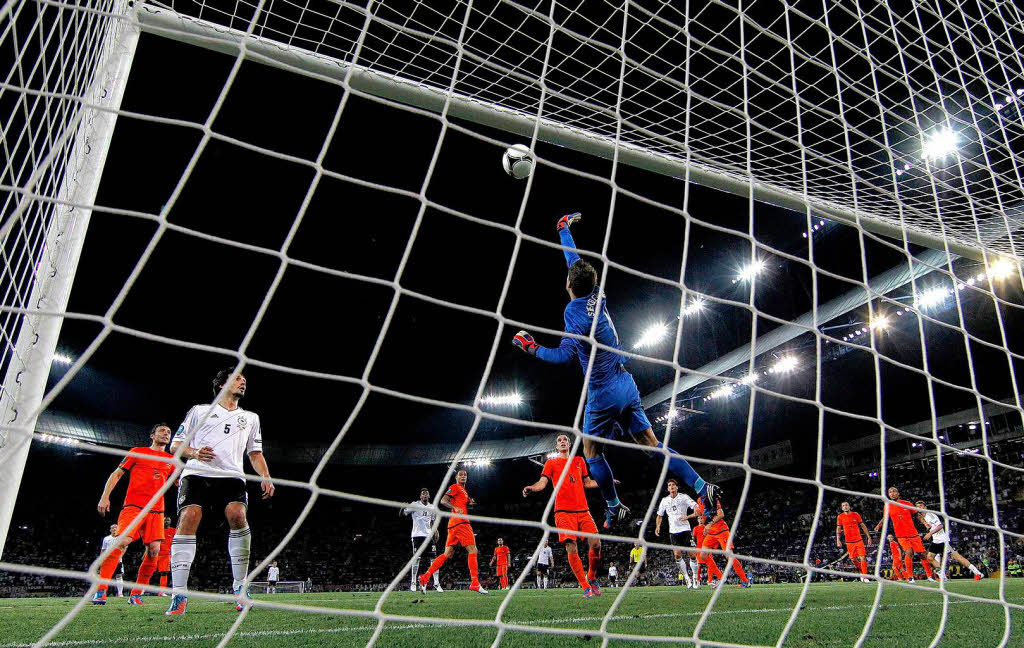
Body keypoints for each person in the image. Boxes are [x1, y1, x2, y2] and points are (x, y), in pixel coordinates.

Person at [511, 213, 719, 528]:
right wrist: (563, 229)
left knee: (591, 451)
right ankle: (702, 485)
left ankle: (612, 504)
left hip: (602, 393)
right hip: (626, 384)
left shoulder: (573, 312)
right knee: (652, 444)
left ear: (568, 284)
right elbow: (575, 262)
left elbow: (562, 356)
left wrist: (531, 346)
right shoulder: (599, 293)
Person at [166, 369, 275, 616]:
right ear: (221, 384)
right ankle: (179, 593)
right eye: (237, 378)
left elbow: (255, 453)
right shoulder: (199, 411)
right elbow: (175, 445)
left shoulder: (251, 417)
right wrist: (193, 453)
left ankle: (239, 587)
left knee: (238, 516)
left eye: (244, 380)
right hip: (196, 472)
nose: (243, 382)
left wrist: (266, 477)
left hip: (232, 475)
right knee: (189, 518)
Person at [94, 424, 176, 605]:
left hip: (156, 510)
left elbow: (181, 482)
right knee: (122, 542)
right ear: (152, 435)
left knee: (154, 550)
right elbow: (117, 474)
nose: (166, 434)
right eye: (162, 431)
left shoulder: (171, 460)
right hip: (134, 507)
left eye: (169, 432)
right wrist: (105, 497)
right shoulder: (137, 452)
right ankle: (101, 590)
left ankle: (136, 594)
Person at [522, 434, 603, 597]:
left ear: (570, 444)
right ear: (556, 446)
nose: (562, 441)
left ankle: (592, 576)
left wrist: (604, 482)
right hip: (563, 512)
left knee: (596, 544)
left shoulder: (579, 461)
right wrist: (532, 487)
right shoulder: (551, 463)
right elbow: (543, 483)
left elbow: (587, 483)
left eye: (565, 439)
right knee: (571, 546)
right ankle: (585, 586)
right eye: (559, 440)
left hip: (583, 511)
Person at [418, 470, 486, 594]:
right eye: (460, 474)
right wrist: (455, 508)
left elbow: (460, 504)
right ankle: (475, 583)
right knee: (473, 550)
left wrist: (469, 503)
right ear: (456, 477)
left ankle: (425, 577)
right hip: (461, 523)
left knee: (447, 554)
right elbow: (443, 501)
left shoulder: (464, 491)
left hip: (453, 525)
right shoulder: (455, 487)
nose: (463, 476)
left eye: (465, 475)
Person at [873, 487, 934, 583]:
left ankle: (929, 576)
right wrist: (878, 525)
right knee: (909, 552)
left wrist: (925, 523)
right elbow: (885, 517)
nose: (892, 493)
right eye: (890, 492)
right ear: (888, 495)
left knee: (922, 554)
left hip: (913, 534)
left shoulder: (907, 503)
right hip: (901, 535)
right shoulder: (888, 505)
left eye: (894, 492)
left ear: (898, 493)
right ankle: (910, 577)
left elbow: (917, 515)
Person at [915, 500, 983, 581]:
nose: (920, 508)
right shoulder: (924, 517)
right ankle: (943, 577)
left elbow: (940, 526)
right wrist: (923, 522)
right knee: (930, 558)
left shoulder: (930, 515)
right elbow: (929, 526)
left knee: (957, 557)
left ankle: (978, 573)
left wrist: (929, 534)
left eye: (921, 506)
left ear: (925, 507)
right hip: (936, 541)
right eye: (918, 507)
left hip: (943, 541)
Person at [696, 496, 749, 587]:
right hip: (711, 533)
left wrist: (709, 524)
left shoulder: (712, 498)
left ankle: (745, 581)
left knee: (729, 556)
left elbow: (721, 514)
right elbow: (702, 515)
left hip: (722, 531)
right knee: (703, 555)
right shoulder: (699, 500)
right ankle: (721, 577)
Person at [655, 478, 698, 589]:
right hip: (673, 531)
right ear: (668, 488)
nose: (672, 487)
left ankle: (695, 578)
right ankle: (687, 578)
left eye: (673, 485)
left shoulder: (684, 497)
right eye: (669, 485)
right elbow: (660, 515)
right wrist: (658, 526)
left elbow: (696, 508)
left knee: (692, 555)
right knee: (677, 555)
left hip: (685, 530)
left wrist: (689, 516)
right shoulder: (664, 500)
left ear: (677, 487)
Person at [404, 488, 442, 592]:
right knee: (416, 559)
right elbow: (404, 513)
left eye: (426, 494)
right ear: (420, 496)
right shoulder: (415, 504)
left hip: (429, 536)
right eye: (423, 494)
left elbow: (432, 521)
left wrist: (436, 531)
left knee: (434, 560)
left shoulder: (432, 507)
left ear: (429, 496)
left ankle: (436, 583)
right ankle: (413, 582)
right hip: (417, 536)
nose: (425, 495)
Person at [836, 501, 872, 582]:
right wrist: (838, 539)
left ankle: (865, 576)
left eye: (846, 505)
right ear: (842, 508)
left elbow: (863, 526)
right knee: (853, 559)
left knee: (862, 557)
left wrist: (869, 537)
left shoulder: (856, 514)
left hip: (859, 540)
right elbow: (838, 529)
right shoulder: (840, 517)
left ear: (849, 506)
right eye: (843, 505)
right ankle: (861, 571)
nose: (845, 506)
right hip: (849, 542)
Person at [99, 525, 125, 598]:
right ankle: (102, 593)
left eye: (116, 528)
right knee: (105, 577)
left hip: (117, 560)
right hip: (107, 560)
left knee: (119, 576)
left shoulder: (121, 538)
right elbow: (103, 550)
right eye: (112, 528)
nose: (114, 529)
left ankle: (120, 593)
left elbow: (123, 548)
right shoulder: (106, 539)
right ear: (110, 530)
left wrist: (119, 557)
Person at [157, 517, 176, 595]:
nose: (166, 522)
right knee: (148, 572)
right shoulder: (158, 530)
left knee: (164, 573)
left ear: (170, 521)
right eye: (165, 520)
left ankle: (162, 592)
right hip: (155, 553)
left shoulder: (174, 531)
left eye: (168, 520)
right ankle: (140, 591)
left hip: (165, 554)